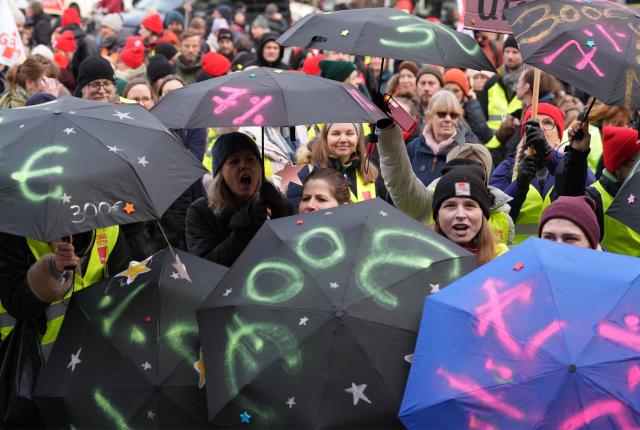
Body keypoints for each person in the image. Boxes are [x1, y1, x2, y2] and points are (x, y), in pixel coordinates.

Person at [0, 229, 131, 356]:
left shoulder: (110, 231)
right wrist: (53, 272)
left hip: (99, 355)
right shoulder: (14, 234)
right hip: (43, 364)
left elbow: (124, 298)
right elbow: (16, 303)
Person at [490, 103, 594, 244]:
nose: (540, 129)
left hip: (557, 251)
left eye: (548, 123)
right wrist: (519, 184)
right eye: (534, 124)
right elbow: (495, 218)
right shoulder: (507, 169)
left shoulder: (572, 164)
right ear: (524, 135)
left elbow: (588, 189)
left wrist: (548, 154)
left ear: (559, 137)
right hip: (517, 255)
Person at [186, 132, 294, 266]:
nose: (244, 166)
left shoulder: (276, 203)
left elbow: (292, 253)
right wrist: (242, 231)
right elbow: (204, 267)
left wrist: (280, 212)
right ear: (220, 174)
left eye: (250, 159)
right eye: (234, 161)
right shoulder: (200, 212)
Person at [556, 123, 640, 256]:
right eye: (637, 161)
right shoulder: (594, 198)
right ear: (618, 166)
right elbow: (567, 207)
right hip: (614, 274)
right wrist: (577, 154)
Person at [430, 144, 515, 246]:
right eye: (450, 206)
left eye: (470, 206)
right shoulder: (425, 204)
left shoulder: (503, 218)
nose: (460, 215)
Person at [287, 123, 389, 208]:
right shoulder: (305, 175)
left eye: (349, 133)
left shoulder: (370, 171)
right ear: (325, 138)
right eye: (336, 134)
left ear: (358, 139)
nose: (343, 139)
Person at [477, 35, 525, 161]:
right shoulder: (492, 82)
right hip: (492, 147)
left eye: (515, 52)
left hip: (517, 148)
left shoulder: (529, 85)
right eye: (507, 51)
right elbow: (481, 117)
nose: (510, 56)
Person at [406, 90, 466, 187]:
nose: (448, 119)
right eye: (441, 114)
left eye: (453, 115)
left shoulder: (467, 150)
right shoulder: (413, 147)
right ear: (429, 116)